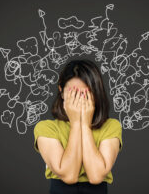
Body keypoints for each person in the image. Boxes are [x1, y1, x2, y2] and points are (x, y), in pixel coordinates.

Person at [33, 59, 123, 194]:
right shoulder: (46, 128)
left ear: (96, 94)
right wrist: (76, 124)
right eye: (74, 94)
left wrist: (85, 125)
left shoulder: (111, 126)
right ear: (61, 91)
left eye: (86, 94)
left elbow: (96, 176)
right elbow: (69, 175)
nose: (80, 100)